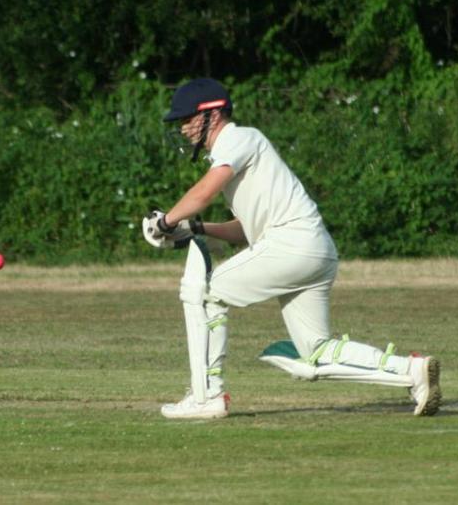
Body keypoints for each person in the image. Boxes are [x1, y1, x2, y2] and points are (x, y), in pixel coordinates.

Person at [141, 77, 441, 420]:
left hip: (291, 245)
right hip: (313, 250)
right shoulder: (241, 152)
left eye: (186, 119)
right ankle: (412, 370)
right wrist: (193, 228)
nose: (182, 129)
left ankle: (206, 395)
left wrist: (165, 222)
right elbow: (242, 231)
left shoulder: (237, 138)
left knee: (206, 291)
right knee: (316, 352)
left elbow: (203, 194)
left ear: (212, 114)